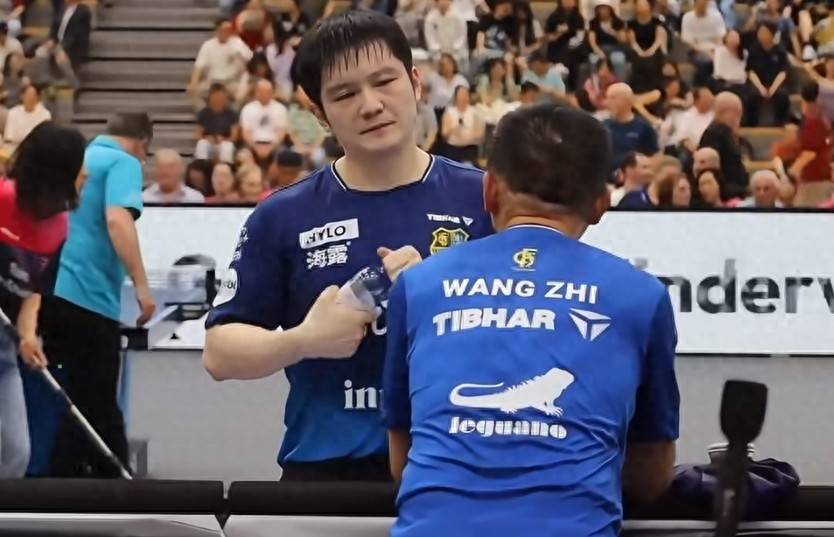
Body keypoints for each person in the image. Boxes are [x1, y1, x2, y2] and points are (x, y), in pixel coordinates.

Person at [202, 10, 493, 481]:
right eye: (344, 94)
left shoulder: (485, 199)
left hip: (463, 466)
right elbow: (219, 353)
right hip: (329, 478)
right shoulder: (283, 215)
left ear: (415, 82)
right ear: (319, 114)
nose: (371, 105)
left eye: (384, 82)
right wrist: (304, 340)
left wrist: (443, 297)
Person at [382, 104, 679, 536]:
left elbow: (403, 463)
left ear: (489, 190)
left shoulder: (417, 285)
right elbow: (651, 478)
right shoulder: (643, 296)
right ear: (600, 203)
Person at [43, 112, 155, 478]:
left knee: (72, 391)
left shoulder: (82, 157)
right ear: (142, 144)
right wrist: (141, 287)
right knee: (99, 395)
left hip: (51, 289)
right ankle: (117, 482)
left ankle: (64, 475)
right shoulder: (124, 162)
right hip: (88, 295)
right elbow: (118, 221)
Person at [0, 122, 87, 478]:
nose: (86, 173)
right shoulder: (2, 200)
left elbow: (34, 290)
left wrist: (27, 334)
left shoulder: (60, 225)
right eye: (79, 166)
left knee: (15, 454)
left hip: (4, 350)